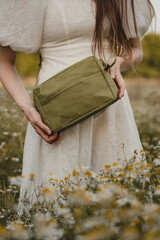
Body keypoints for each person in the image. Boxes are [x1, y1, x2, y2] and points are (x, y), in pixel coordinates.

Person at [0, 0, 155, 205]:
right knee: (55, 203)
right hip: (57, 111)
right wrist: (28, 108)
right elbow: (4, 61)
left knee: (118, 203)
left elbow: (137, 51)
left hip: (109, 106)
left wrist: (119, 62)